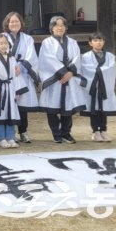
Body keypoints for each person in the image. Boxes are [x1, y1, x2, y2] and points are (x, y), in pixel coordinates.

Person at [38, 15, 87, 144]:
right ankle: (56, 133)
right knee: (52, 108)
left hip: (69, 78)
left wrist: (70, 72)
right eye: (56, 25)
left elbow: (77, 58)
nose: (59, 28)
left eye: (62, 25)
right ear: (52, 28)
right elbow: (47, 59)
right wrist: (62, 72)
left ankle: (66, 133)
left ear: (65, 27)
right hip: (54, 79)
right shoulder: (47, 42)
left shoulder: (72, 42)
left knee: (68, 107)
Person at [2, 12, 41, 143]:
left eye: (17, 21)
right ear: (7, 23)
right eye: (11, 22)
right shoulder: (1, 37)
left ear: (21, 23)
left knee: (22, 106)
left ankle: (23, 131)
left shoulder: (27, 39)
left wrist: (21, 67)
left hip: (22, 74)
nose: (14, 24)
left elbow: (31, 55)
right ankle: (10, 133)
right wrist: (10, 66)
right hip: (7, 74)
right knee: (9, 104)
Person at [0, 34, 27, 148]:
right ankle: (1, 138)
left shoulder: (12, 58)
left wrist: (17, 91)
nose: (4, 46)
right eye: (1, 43)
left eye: (6, 43)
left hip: (11, 88)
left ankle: (10, 137)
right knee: (0, 114)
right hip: (0, 89)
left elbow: (16, 76)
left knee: (11, 113)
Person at [80, 32, 116, 142]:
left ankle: (103, 130)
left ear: (104, 42)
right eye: (95, 40)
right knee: (93, 109)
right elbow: (86, 69)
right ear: (90, 43)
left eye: (100, 40)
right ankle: (95, 131)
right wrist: (96, 80)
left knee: (104, 109)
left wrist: (100, 77)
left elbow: (110, 69)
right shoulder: (86, 57)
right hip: (93, 87)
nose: (98, 43)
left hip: (104, 87)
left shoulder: (110, 56)